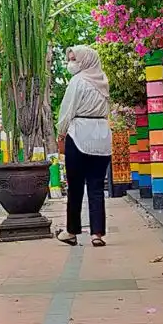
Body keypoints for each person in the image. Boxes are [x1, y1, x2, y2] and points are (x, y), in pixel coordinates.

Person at [54, 45, 113, 246]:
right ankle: (97, 234)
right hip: (102, 136)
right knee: (96, 186)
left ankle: (71, 231)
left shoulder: (77, 81)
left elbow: (66, 110)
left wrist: (61, 133)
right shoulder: (104, 81)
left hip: (78, 134)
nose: (71, 63)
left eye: (74, 59)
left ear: (85, 61)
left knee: (75, 186)